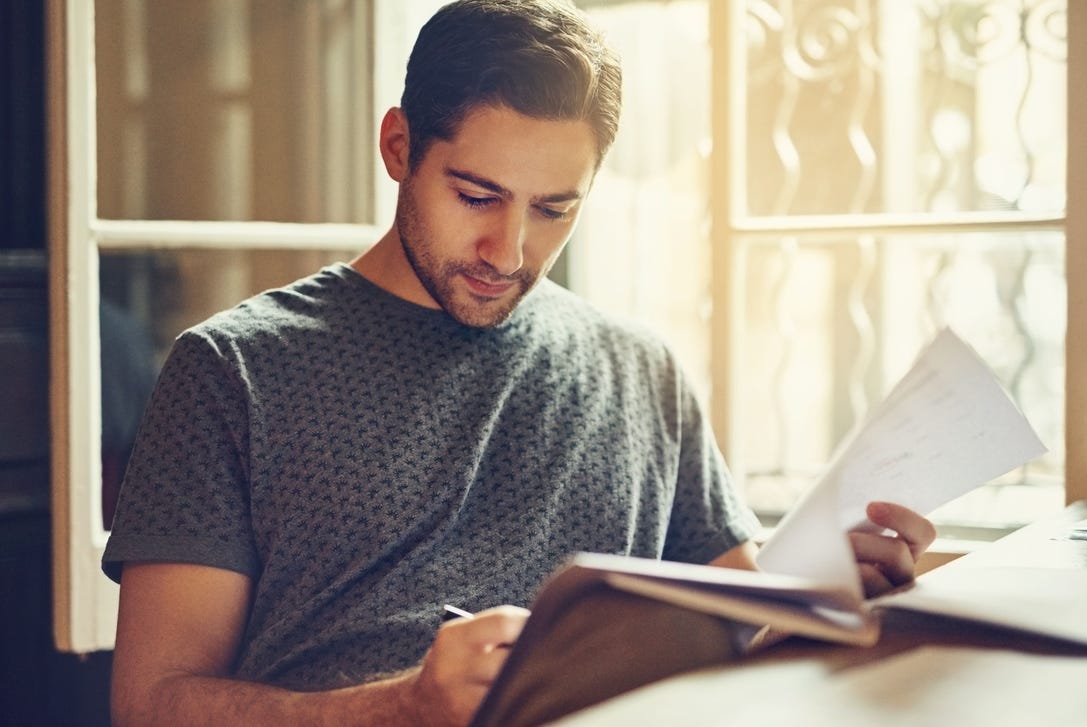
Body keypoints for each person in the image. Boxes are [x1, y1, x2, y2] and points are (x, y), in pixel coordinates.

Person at [101, 1, 937, 726]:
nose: (509, 249)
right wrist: (404, 708)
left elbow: (745, 618)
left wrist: (835, 587)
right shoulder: (233, 370)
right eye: (476, 196)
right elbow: (152, 704)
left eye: (553, 208)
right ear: (399, 146)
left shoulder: (641, 369)